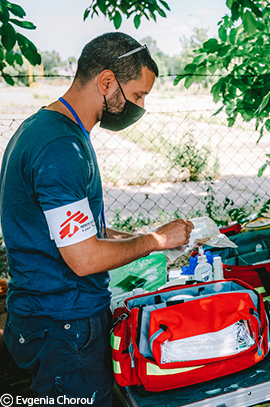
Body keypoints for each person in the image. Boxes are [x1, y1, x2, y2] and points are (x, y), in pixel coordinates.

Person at [0, 33, 194, 406]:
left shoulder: (47, 129)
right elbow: (84, 257)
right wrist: (156, 241)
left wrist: (138, 235)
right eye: (138, 95)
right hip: (63, 325)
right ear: (107, 82)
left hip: (44, 317)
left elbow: (78, 228)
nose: (139, 107)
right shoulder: (61, 148)